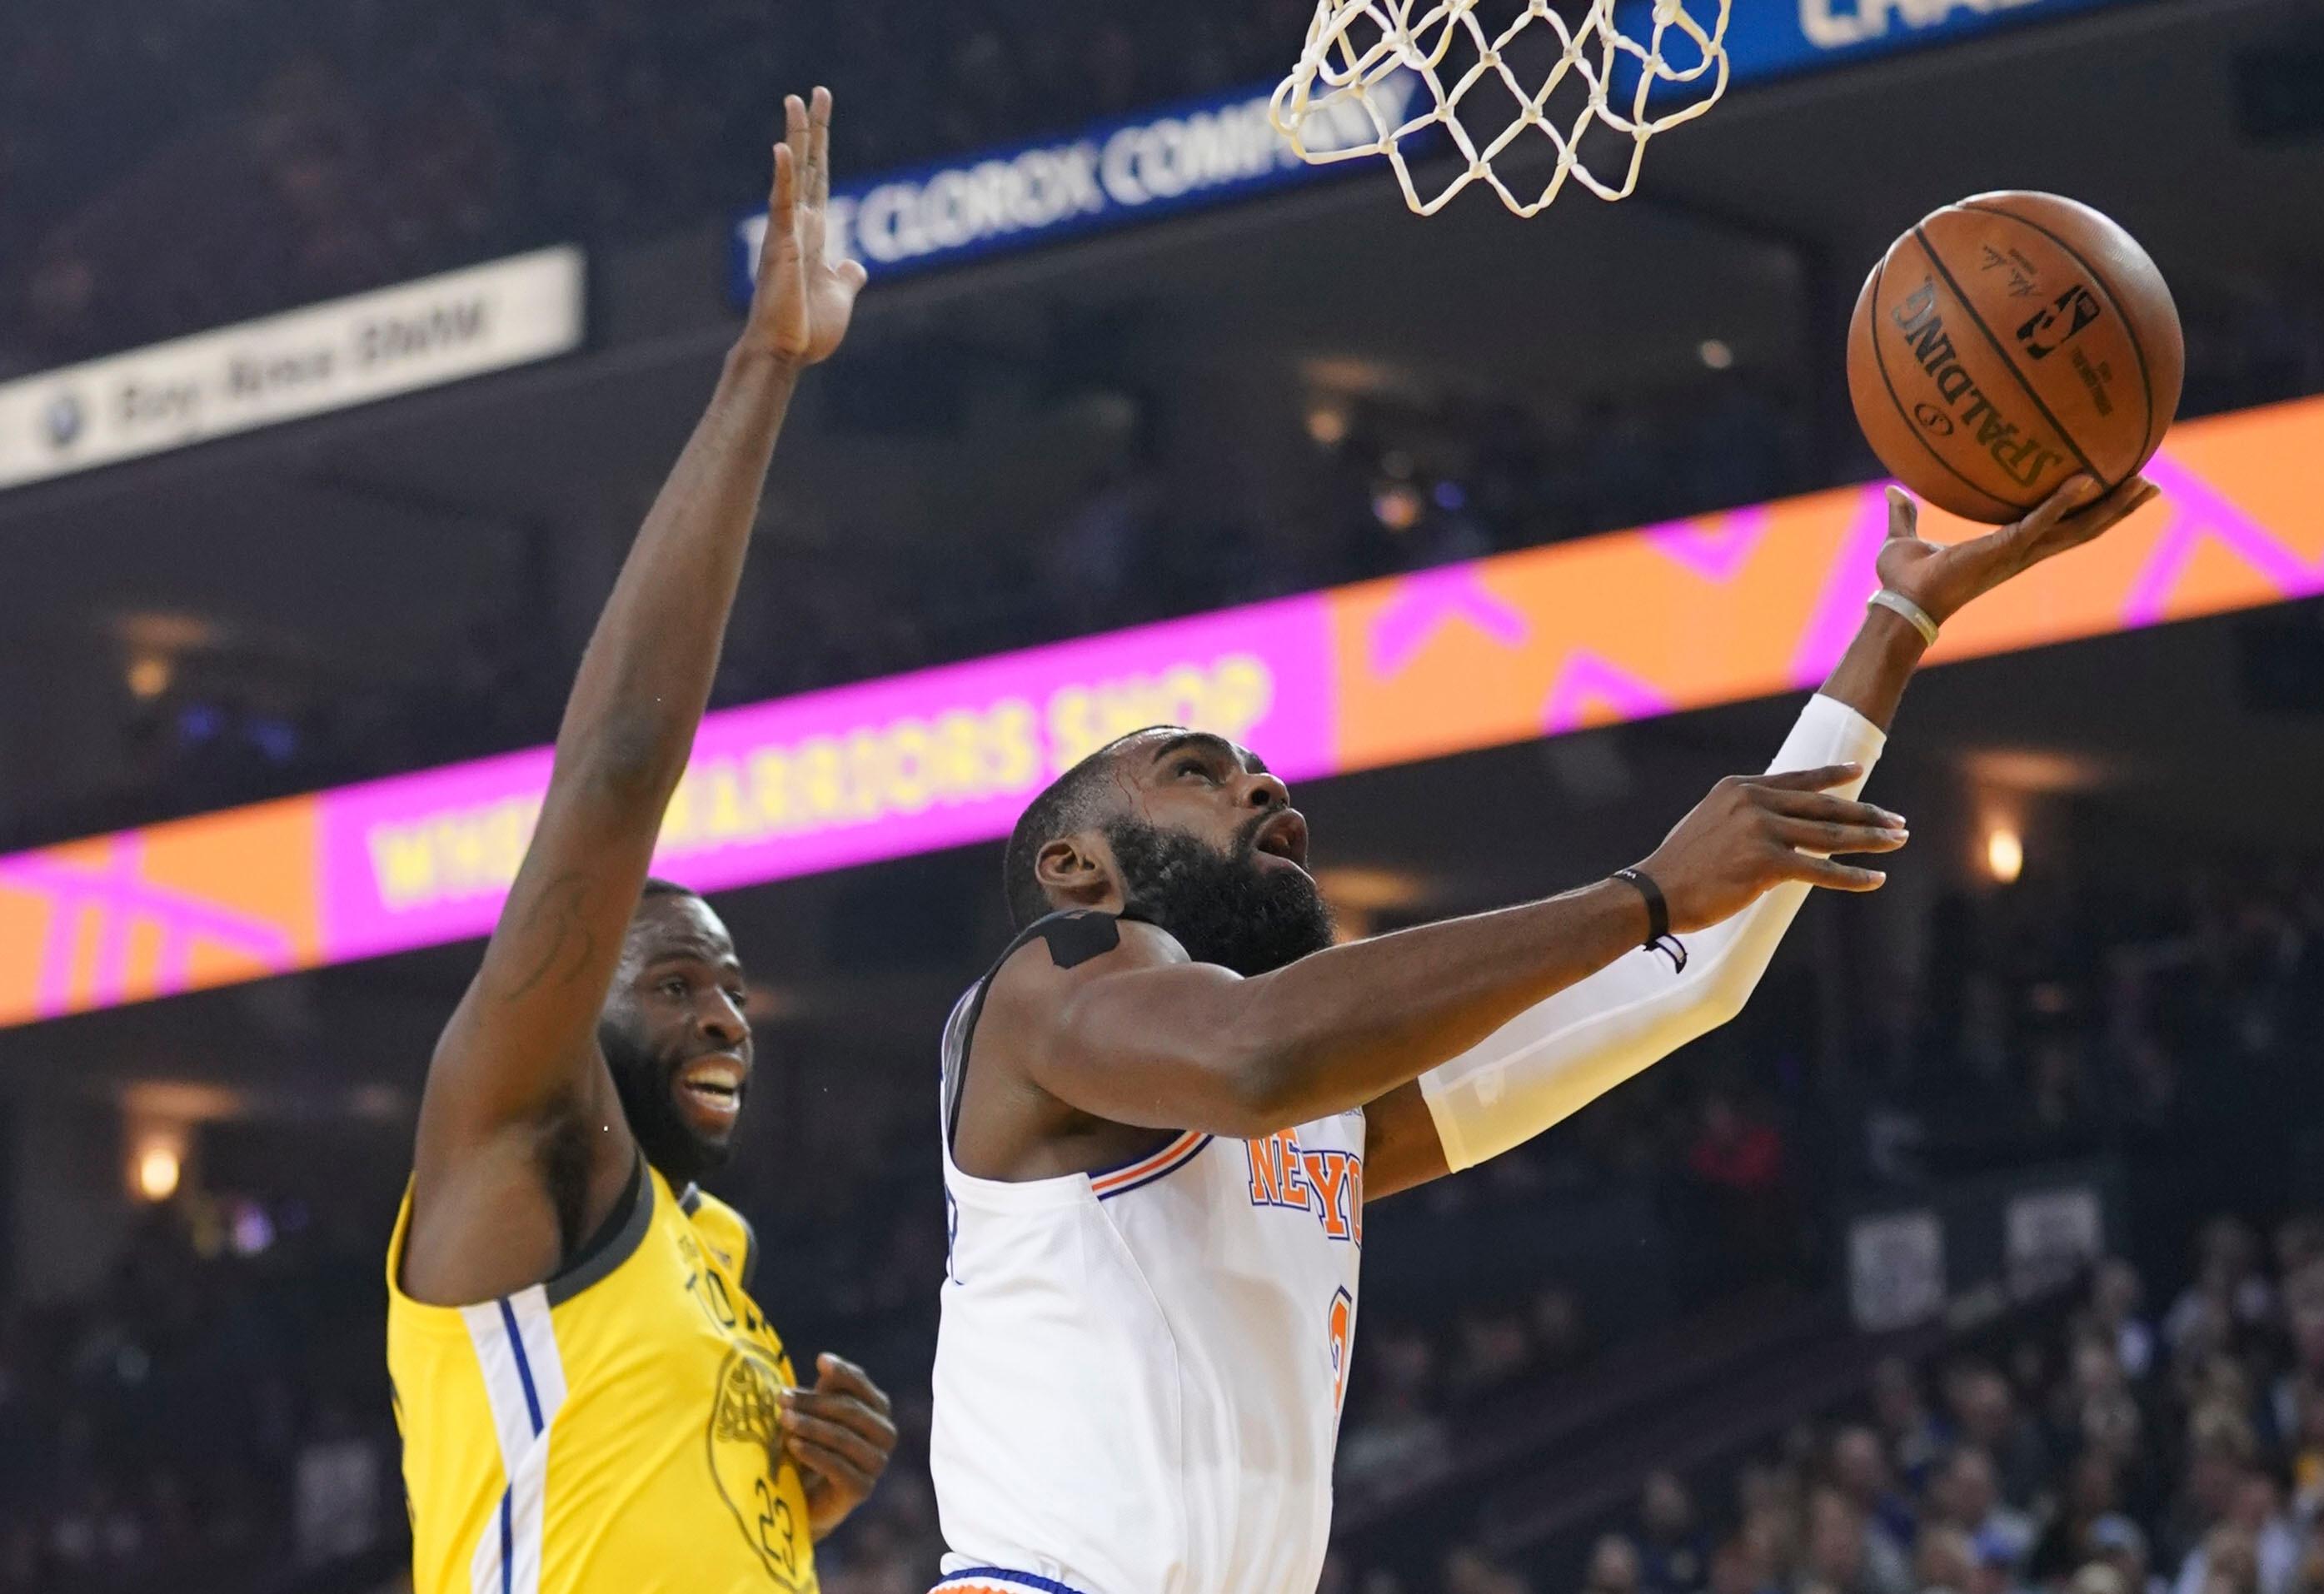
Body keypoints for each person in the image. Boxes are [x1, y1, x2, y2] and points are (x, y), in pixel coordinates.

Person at [928, 473, 2160, 1593]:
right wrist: (1645, 889)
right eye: (1198, 772)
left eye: (1259, 766)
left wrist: (1897, 629)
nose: (1265, 786)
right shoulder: (1054, 980)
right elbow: (1258, 1050)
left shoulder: (1319, 1110)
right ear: (1074, 864)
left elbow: (1684, 978)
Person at [386, 91, 895, 1594]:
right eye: (674, 980)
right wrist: (762, 367)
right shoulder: (503, 1128)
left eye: (731, 984)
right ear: (578, 991)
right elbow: (613, 776)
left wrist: (799, 1508)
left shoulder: (703, 1254)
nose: (726, 1009)